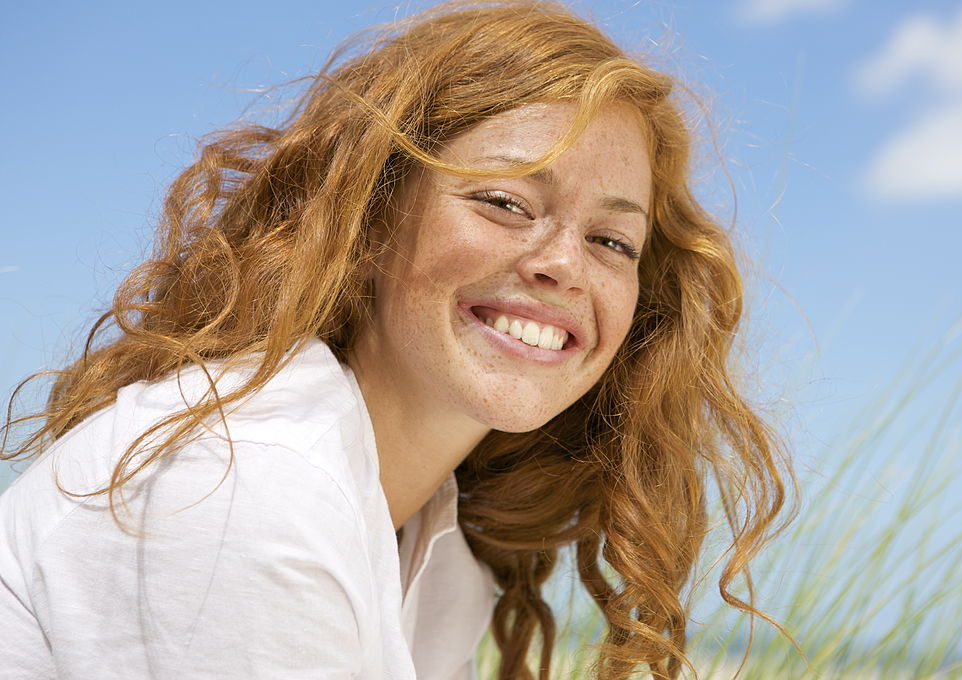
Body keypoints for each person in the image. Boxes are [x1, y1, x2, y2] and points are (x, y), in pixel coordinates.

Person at [0, 1, 794, 678]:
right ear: (370, 215)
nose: (564, 265)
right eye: (504, 202)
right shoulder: (249, 483)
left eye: (613, 243)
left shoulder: (439, 557)